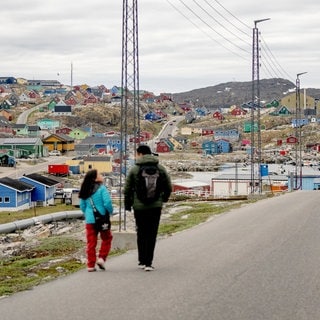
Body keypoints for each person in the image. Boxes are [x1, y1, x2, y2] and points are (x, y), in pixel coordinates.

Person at [124, 144, 172, 271]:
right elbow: (168, 186)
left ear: (140, 154)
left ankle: (141, 260)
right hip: (155, 206)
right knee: (152, 233)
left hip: (139, 207)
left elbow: (127, 188)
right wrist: (163, 199)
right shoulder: (160, 168)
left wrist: (128, 204)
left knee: (141, 232)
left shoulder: (134, 169)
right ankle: (148, 263)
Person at [79, 169, 113, 272]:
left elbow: (82, 206)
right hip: (102, 219)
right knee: (107, 238)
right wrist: (110, 212)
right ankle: (102, 258)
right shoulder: (102, 188)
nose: (101, 175)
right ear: (95, 178)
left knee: (91, 243)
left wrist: (89, 214)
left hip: (90, 220)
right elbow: (107, 203)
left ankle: (90, 265)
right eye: (99, 174)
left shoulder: (84, 189)